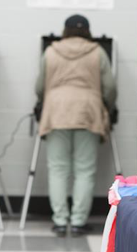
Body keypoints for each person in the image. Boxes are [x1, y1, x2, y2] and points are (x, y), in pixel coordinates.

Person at [35, 15, 117, 237]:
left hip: (56, 112)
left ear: (65, 30)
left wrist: (48, 99)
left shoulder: (51, 51)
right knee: (84, 170)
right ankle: (79, 221)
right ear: (88, 31)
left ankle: (60, 221)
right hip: (88, 112)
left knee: (58, 168)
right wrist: (108, 107)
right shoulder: (97, 52)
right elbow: (109, 87)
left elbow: (40, 86)